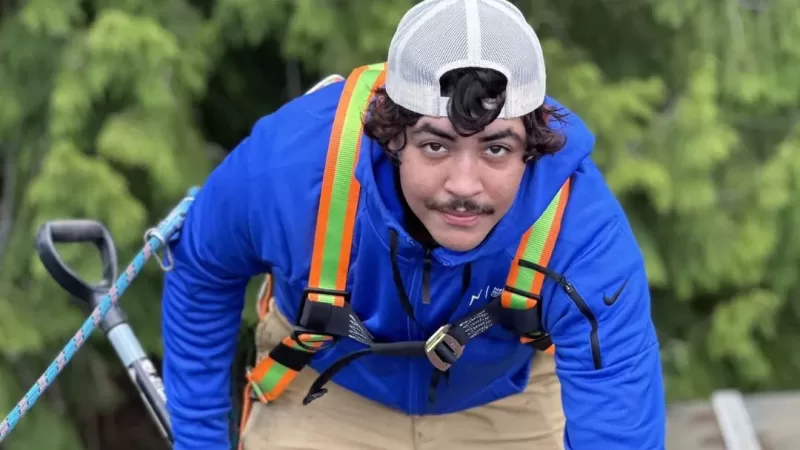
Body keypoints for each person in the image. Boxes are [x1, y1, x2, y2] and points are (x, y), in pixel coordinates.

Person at [160, 0, 667, 449]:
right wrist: (200, 439)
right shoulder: (290, 171)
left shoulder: (581, 231)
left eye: (496, 148)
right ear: (390, 135)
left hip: (504, 397)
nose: (464, 186)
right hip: (324, 387)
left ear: (532, 149)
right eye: (436, 145)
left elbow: (617, 416)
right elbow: (203, 272)